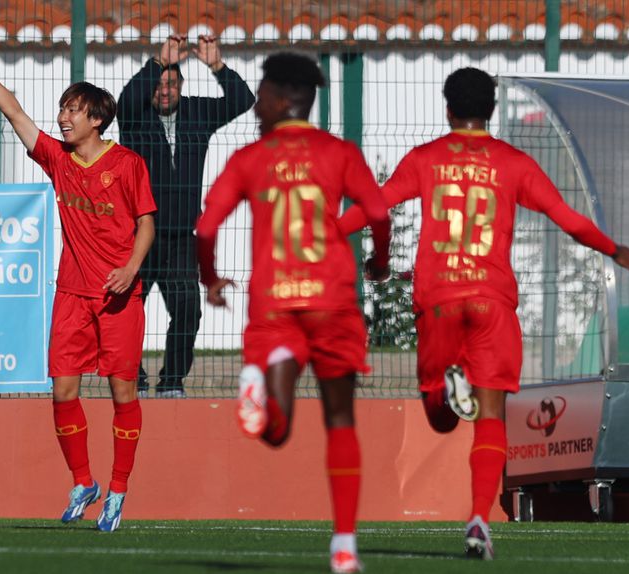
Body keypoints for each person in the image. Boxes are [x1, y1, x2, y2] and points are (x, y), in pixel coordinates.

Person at [339, 67, 629, 560]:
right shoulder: (513, 163)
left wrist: (327, 233)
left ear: (448, 110)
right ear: (491, 110)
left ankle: (448, 391)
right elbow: (566, 217)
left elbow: (375, 207)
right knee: (491, 416)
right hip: (491, 300)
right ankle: (479, 521)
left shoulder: (425, 158)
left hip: (439, 297)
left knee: (440, 420)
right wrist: (614, 249)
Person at [0, 28, 156, 532]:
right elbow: (14, 112)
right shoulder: (58, 159)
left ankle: (118, 490)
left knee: (122, 394)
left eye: (72, 110)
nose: (63, 117)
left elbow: (147, 223)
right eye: (62, 108)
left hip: (118, 298)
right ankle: (84, 482)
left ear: (96, 119)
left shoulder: (127, 164)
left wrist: (131, 268)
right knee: (63, 392)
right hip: (71, 294)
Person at [196, 52, 391, 574]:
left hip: (275, 304)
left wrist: (211, 279)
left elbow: (207, 227)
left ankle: (261, 386)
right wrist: (379, 261)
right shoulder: (339, 152)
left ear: (283, 98)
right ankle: (344, 546)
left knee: (276, 433)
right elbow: (377, 212)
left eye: (260, 94)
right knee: (340, 419)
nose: (255, 104)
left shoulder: (250, 158)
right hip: (331, 301)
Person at [119, 34, 255, 398]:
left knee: (187, 310)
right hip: (139, 234)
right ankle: (133, 376)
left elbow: (242, 100)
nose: (165, 91)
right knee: (128, 309)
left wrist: (216, 65)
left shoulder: (198, 113)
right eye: (159, 84)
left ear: (182, 86)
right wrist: (158, 62)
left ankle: (172, 382)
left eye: (172, 84)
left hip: (181, 236)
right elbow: (126, 99)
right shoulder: (134, 118)